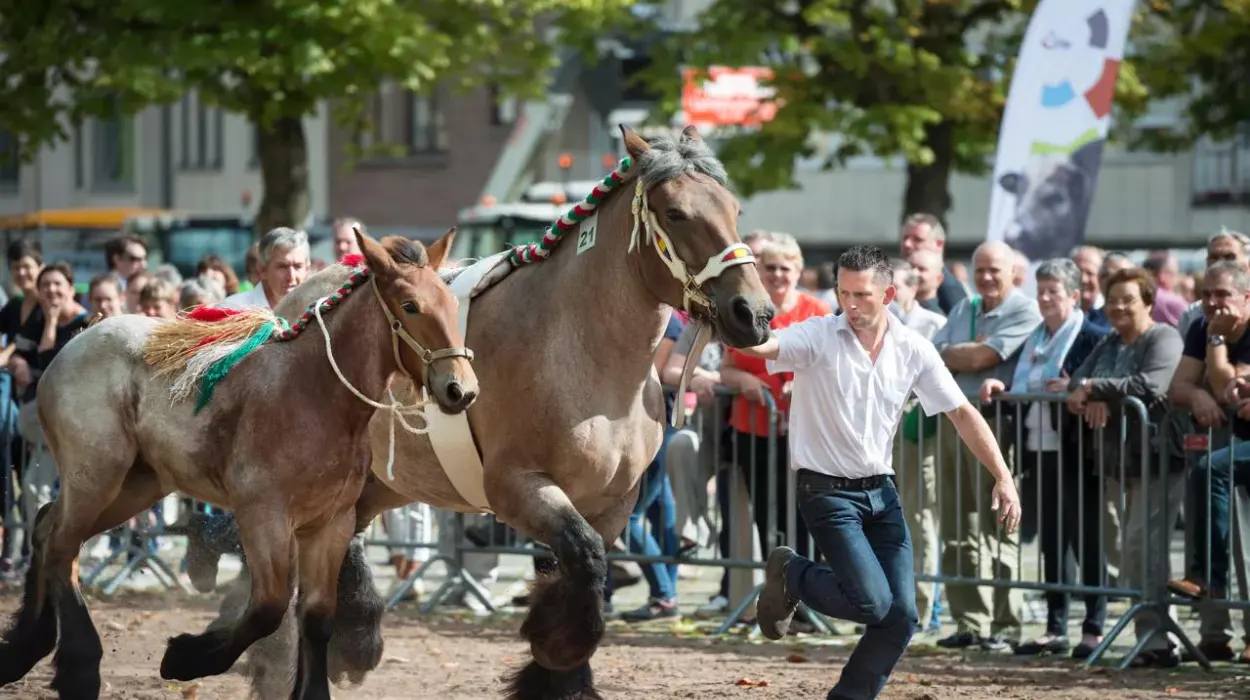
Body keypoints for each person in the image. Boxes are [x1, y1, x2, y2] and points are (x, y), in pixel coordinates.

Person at [738, 245, 1021, 700]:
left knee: (901, 616)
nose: (851, 304)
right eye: (844, 293)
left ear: (888, 293)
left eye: (863, 295)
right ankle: (792, 573)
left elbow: (962, 413)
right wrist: (731, 321)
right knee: (872, 602)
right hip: (825, 492)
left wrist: (1003, 477)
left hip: (881, 493)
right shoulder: (817, 335)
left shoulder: (913, 348)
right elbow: (767, 343)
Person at [979, 258, 1109, 659]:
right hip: (1038, 448)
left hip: (1078, 449)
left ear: (1074, 294)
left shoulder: (1092, 336)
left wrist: (1078, 385)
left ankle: (1094, 627)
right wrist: (1000, 385)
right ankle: (1055, 627)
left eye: (1055, 291)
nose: (1047, 298)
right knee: (1052, 542)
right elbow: (1024, 381)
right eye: (1042, 291)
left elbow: (1098, 383)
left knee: (1086, 539)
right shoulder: (1035, 338)